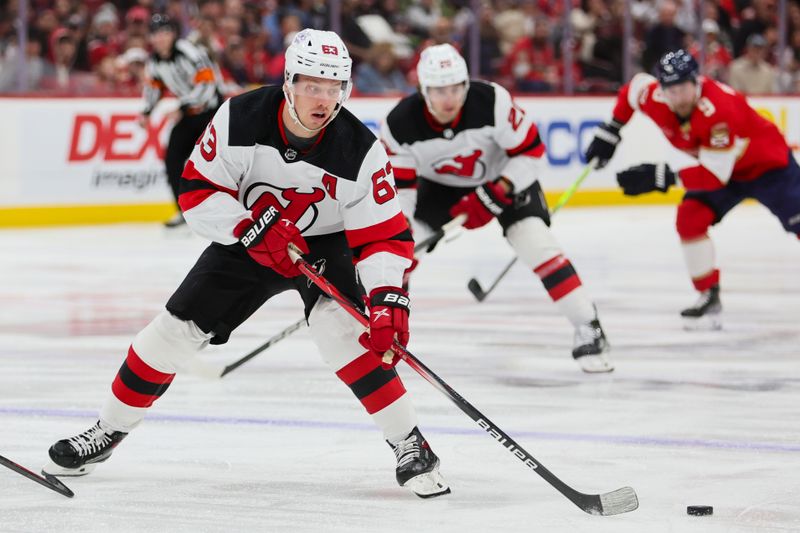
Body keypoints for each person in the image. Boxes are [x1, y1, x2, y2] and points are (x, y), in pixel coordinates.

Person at [44, 29, 450, 499]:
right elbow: (197, 193)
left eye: (333, 86)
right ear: (289, 82)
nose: (323, 98)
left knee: (346, 336)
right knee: (169, 332)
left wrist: (386, 299)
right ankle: (107, 431)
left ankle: (410, 442)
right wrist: (247, 229)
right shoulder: (240, 117)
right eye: (312, 85)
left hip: (327, 245)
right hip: (250, 238)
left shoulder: (360, 150)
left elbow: (383, 235)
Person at [380, 44, 613, 374]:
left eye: (456, 88)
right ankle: (386, 327)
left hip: (505, 179)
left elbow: (531, 153)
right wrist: (401, 227)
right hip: (439, 191)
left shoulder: (492, 102)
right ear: (423, 89)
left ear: (466, 84)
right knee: (398, 249)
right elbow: (401, 188)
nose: (449, 99)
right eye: (439, 90)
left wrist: (497, 190)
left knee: (536, 243)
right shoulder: (400, 123)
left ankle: (589, 326)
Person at [585, 49, 800, 329]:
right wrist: (611, 130)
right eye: (670, 90)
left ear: (696, 82)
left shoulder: (719, 110)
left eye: (684, 87)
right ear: (662, 89)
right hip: (724, 169)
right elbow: (632, 89)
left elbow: (713, 177)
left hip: (769, 169)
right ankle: (708, 294)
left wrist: (662, 177)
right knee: (690, 218)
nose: (679, 97)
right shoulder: (656, 98)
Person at [140, 14, 223, 228]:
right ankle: (184, 212)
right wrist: (146, 112)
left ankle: (227, 209)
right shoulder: (154, 62)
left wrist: (183, 106)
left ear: (173, 34)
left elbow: (208, 85)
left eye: (165, 32)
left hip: (212, 113)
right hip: (188, 115)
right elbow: (153, 88)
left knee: (220, 163)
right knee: (172, 160)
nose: (161, 38)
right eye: (156, 33)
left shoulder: (191, 52)